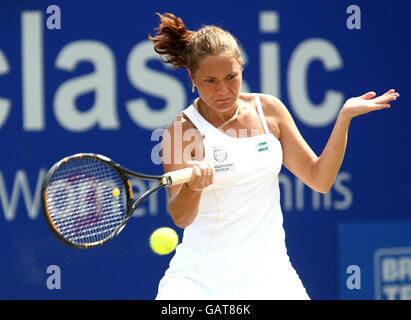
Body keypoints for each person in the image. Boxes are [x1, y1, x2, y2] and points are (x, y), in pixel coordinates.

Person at [149, 13, 399, 300]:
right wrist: (194, 187)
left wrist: (344, 118)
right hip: (198, 284)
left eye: (231, 77)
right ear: (192, 78)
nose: (223, 90)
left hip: (272, 278)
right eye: (210, 81)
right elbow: (180, 217)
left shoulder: (269, 110)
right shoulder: (180, 131)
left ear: (241, 67)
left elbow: (320, 179)